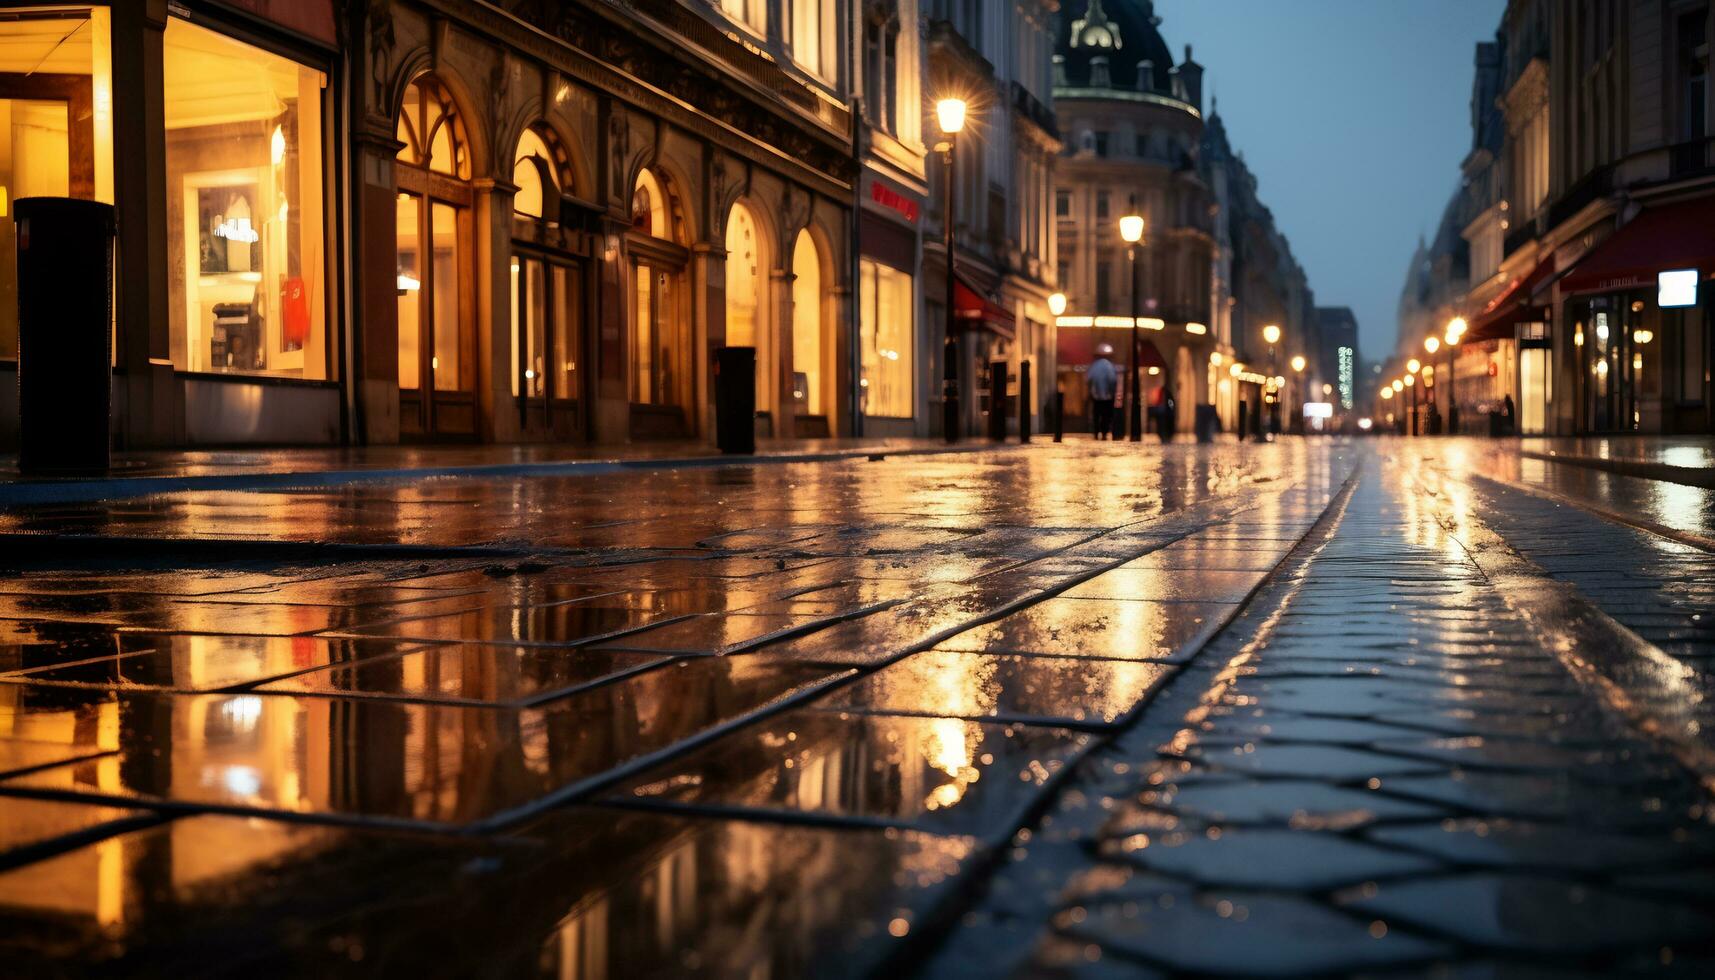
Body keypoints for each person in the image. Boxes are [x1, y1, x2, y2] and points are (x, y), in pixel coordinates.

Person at [1087, 343, 1117, 440]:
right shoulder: (1110, 367)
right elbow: (1113, 381)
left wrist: (1091, 393)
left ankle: (1096, 433)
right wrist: (1112, 393)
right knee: (1106, 416)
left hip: (1096, 397)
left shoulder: (1094, 366)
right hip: (1108, 397)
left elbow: (1089, 380)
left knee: (1097, 415)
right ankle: (1104, 433)